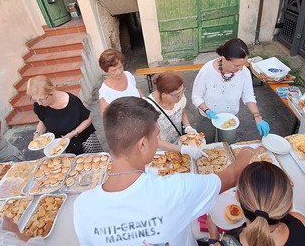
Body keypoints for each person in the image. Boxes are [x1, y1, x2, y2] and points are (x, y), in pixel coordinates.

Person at [73, 96, 257, 245]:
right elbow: (232, 176)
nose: (158, 141)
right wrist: (247, 151)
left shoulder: (82, 206)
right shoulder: (176, 189)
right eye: (156, 136)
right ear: (143, 144)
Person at [192, 38, 269, 144]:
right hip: (206, 117)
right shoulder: (207, 71)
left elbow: (249, 97)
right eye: (237, 65)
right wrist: (207, 111)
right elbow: (196, 96)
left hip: (230, 117)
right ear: (224, 59)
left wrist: (257, 116)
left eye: (243, 64)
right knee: (206, 144)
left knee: (228, 145)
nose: (241, 69)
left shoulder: (244, 72)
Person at [26, 75, 103, 155]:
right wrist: (37, 134)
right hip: (61, 143)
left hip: (83, 139)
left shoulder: (72, 102)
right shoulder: (39, 105)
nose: (39, 103)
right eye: (34, 99)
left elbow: (88, 119)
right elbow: (42, 120)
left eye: (42, 99)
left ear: (51, 92)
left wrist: (73, 133)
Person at [145, 71, 206, 159]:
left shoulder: (178, 95)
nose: (181, 97)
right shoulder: (149, 109)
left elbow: (182, 111)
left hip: (178, 142)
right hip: (162, 151)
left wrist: (188, 127)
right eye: (177, 95)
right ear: (163, 94)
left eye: (182, 91)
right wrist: (183, 149)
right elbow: (156, 141)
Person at [98, 49, 143, 116]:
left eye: (120, 67)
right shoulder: (105, 91)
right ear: (106, 71)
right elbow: (105, 115)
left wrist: (144, 100)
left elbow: (136, 89)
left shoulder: (128, 75)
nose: (119, 72)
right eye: (114, 70)